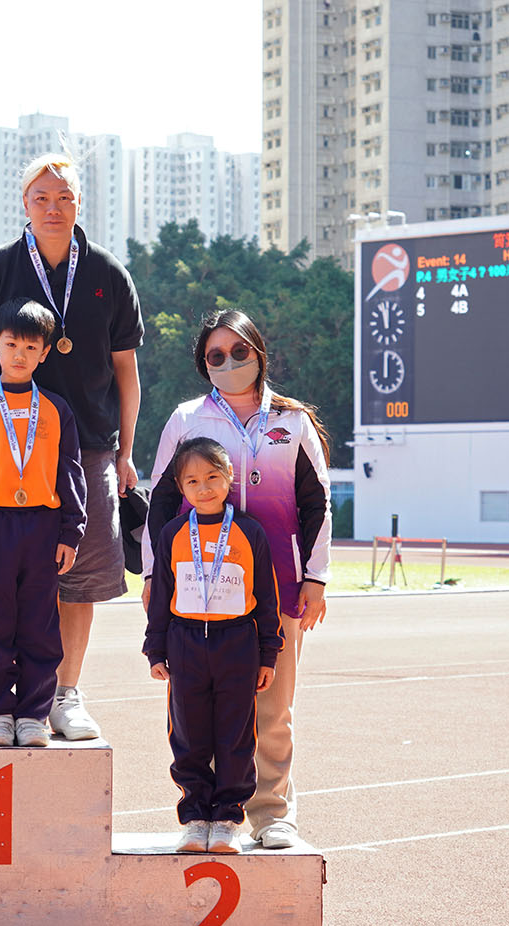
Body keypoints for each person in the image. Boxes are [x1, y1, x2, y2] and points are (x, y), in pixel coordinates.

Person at [0, 153, 144, 741]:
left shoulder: (109, 273)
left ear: (79, 202)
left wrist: (127, 453)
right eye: (41, 198)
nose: (53, 208)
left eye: (64, 197)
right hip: (6, 450)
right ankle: (7, 703)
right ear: (25, 204)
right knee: (3, 584)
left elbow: (127, 373)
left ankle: (64, 693)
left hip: (88, 446)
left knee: (80, 576)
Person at [143, 310, 331, 850]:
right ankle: (206, 813)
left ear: (258, 352)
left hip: (279, 588)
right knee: (199, 713)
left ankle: (271, 814)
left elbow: (316, 501)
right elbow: (161, 500)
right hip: (198, 595)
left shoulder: (292, 421)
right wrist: (154, 573)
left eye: (239, 351)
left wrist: (315, 576)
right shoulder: (187, 419)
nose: (229, 362)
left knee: (273, 708)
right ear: (203, 364)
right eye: (216, 355)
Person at [0, 298, 86, 749]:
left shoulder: (56, 409)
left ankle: (32, 714)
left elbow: (71, 473)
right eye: (11, 344)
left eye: (31, 347)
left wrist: (70, 532)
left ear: (44, 353)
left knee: (40, 626)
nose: (19, 354)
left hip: (43, 529)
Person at [145, 437, 282, 854]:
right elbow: (161, 596)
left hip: (237, 644)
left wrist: (268, 654)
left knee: (235, 735)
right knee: (188, 735)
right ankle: (195, 818)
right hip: (185, 644)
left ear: (229, 477)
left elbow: (267, 597)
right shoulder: (172, 533)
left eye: (212, 477)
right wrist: (155, 649)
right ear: (180, 487)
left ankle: (226, 819)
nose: (203, 488)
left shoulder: (249, 532)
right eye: (192, 481)